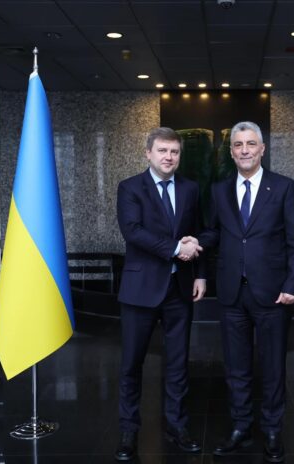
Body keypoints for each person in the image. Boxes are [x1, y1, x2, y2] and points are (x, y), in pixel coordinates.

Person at [197, 121, 294, 463]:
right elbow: (213, 233)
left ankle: (272, 430)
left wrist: (292, 285)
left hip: (273, 293)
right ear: (231, 152)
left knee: (272, 366)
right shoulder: (219, 190)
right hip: (231, 293)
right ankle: (241, 426)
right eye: (238, 145)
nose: (244, 150)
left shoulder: (284, 187)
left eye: (250, 144)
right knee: (236, 367)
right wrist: (194, 242)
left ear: (262, 149)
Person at [114, 127, 205, 461]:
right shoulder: (129, 187)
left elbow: (197, 231)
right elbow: (133, 232)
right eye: (163, 151)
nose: (169, 157)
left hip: (179, 290)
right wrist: (176, 249)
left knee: (178, 363)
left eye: (174, 152)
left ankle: (176, 426)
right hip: (140, 291)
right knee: (131, 364)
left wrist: (201, 274)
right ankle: (128, 431)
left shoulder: (191, 188)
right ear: (148, 153)